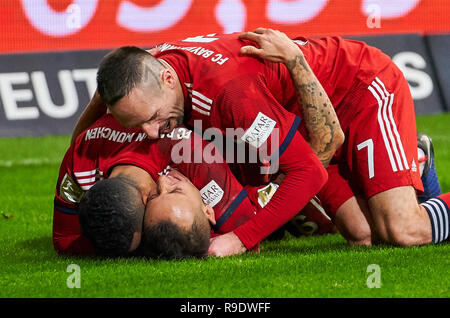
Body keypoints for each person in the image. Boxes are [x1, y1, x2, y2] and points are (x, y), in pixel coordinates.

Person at [72, 33, 346, 256]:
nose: (152, 134)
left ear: (168, 80)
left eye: (154, 118)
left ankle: (289, 200)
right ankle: (282, 198)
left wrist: (241, 238)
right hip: (283, 118)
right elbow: (83, 135)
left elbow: (319, 155)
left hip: (344, 87)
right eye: (137, 125)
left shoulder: (229, 96)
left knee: (374, 232)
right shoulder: (150, 70)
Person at [237, 28, 449, 246]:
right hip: (309, 134)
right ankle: (414, 162)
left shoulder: (216, 76)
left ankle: (408, 162)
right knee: (364, 235)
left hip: (359, 89)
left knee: (404, 230)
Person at [53, 114, 258, 256]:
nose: (165, 184)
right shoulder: (82, 151)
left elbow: (248, 233)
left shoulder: (189, 151)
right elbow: (64, 240)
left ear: (146, 199)